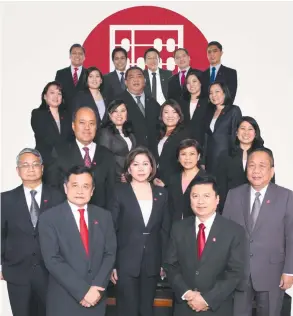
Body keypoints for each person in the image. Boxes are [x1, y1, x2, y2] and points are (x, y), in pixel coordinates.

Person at [222, 148, 293, 316]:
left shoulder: (286, 197)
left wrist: (289, 271)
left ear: (272, 170)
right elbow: (225, 234)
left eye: (262, 166)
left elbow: (291, 236)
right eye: (251, 165)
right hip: (238, 273)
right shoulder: (234, 195)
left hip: (272, 273)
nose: (256, 171)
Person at [38, 166, 116, 316]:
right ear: (65, 188)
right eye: (75, 185)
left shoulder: (104, 216)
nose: (80, 191)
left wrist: (96, 288)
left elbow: (110, 253)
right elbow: (52, 259)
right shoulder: (49, 218)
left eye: (85, 186)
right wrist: (83, 291)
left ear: (92, 191)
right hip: (64, 299)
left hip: (96, 297)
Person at [164, 175, 245, 316]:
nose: (200, 201)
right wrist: (186, 293)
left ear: (217, 199)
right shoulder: (178, 228)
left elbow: (235, 272)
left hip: (216, 308)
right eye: (195, 196)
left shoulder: (234, 231)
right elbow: (171, 265)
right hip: (184, 306)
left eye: (206, 196)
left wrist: (207, 299)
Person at [1, 148, 65, 316]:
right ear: (18, 170)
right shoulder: (5, 200)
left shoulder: (58, 197)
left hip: (51, 274)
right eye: (25, 165)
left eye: (35, 164)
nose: (31, 169)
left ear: (42, 168)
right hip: (17, 272)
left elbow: (65, 235)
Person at [109, 147, 171, 316]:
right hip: (125, 261)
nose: (141, 168)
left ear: (152, 167)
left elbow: (165, 230)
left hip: (152, 261)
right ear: (129, 168)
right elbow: (111, 229)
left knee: (146, 310)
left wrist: (164, 262)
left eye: (145, 164)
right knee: (126, 310)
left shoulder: (161, 193)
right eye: (136, 164)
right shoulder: (119, 191)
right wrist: (112, 264)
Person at [45, 106, 115, 209]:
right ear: (73, 126)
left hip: (99, 219)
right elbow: (53, 189)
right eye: (82, 123)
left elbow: (111, 194)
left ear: (96, 127)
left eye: (91, 123)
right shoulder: (60, 152)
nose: (87, 127)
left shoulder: (107, 155)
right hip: (68, 218)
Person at [216, 116, 265, 212]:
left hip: (257, 205)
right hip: (232, 205)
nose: (246, 132)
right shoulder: (225, 155)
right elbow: (221, 185)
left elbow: (270, 181)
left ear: (255, 133)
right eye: (242, 128)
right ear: (236, 132)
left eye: (250, 129)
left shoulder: (264, 154)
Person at [116, 66, 160, 151]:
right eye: (132, 77)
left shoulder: (153, 102)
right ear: (125, 82)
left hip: (152, 154)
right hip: (130, 154)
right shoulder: (118, 102)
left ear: (145, 81)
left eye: (139, 76)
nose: (136, 80)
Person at [31, 81, 73, 165]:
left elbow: (71, 137)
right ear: (45, 96)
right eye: (52, 93)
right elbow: (44, 137)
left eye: (59, 93)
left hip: (66, 160)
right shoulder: (38, 113)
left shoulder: (67, 115)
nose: (56, 96)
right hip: (46, 160)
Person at [204, 81, 242, 174]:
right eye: (211, 93)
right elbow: (206, 137)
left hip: (227, 159)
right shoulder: (209, 112)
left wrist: (234, 159)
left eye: (217, 91)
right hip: (210, 160)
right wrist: (202, 161)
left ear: (224, 93)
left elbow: (236, 136)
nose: (213, 95)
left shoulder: (234, 110)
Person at [153, 99, 190, 187]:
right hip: (157, 181)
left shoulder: (185, 135)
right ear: (161, 115)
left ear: (179, 115)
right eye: (166, 112)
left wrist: (166, 181)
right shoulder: (157, 134)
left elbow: (185, 163)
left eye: (174, 112)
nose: (170, 116)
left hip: (175, 184)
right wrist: (154, 177)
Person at [168, 139, 206, 222]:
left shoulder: (206, 179)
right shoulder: (173, 179)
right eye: (183, 154)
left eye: (192, 154)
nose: (187, 158)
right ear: (178, 157)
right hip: (175, 229)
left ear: (198, 156)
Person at [99, 99, 136, 182]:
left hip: (131, 176)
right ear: (109, 114)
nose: (119, 114)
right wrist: (122, 174)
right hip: (115, 178)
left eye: (123, 111)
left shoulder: (130, 133)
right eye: (115, 111)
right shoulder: (105, 133)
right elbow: (105, 158)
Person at [55, 44, 87, 111]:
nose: (77, 56)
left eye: (80, 53)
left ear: (84, 57)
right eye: (74, 53)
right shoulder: (60, 74)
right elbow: (57, 94)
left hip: (84, 114)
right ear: (70, 56)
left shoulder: (89, 74)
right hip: (64, 113)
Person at [180, 71, 209, 146]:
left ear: (200, 82)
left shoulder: (208, 102)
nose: (191, 85)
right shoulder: (181, 102)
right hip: (184, 143)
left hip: (203, 143)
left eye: (194, 81)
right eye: (188, 83)